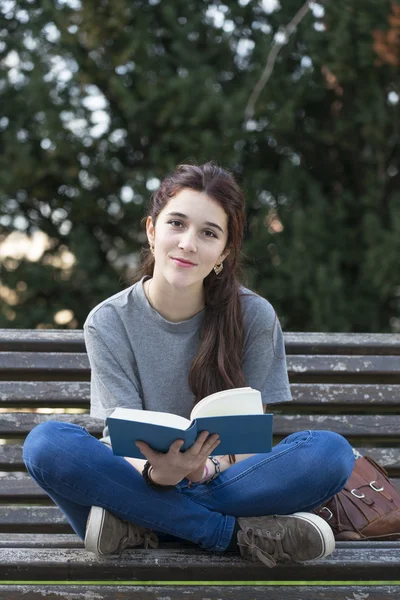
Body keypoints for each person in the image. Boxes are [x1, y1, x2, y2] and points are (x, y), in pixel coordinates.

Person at [23, 161, 355, 568]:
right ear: (151, 230)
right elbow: (121, 438)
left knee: (330, 453)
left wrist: (201, 470)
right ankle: (229, 536)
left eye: (208, 233)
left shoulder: (254, 316)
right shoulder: (109, 320)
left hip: (213, 484)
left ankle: (143, 526)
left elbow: (250, 444)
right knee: (47, 444)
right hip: (137, 478)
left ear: (225, 251)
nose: (188, 244)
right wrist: (157, 474)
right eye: (176, 224)